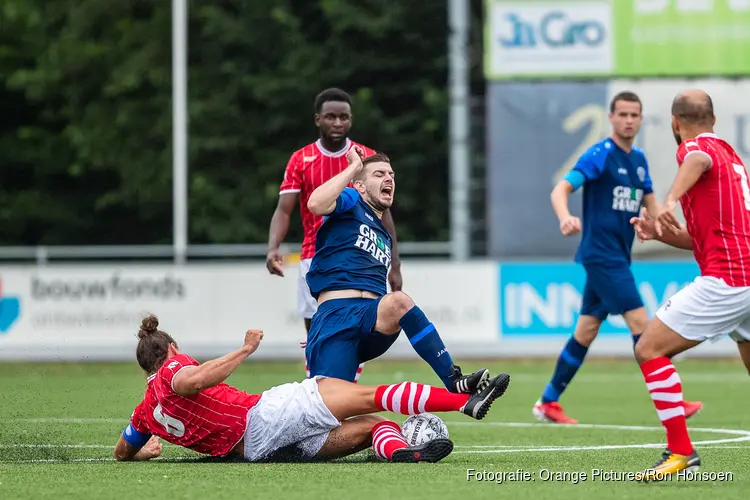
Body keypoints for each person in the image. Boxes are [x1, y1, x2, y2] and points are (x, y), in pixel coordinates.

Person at [113, 315, 510, 464]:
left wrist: (142, 449)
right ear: (171, 350)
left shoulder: (146, 411)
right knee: (370, 394)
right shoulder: (173, 369)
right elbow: (190, 381)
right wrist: (246, 349)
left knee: (373, 424)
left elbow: (121, 450)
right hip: (265, 417)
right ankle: (464, 403)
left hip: (258, 450)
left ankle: (405, 452)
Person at [533, 91, 703, 424]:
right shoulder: (600, 155)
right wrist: (565, 216)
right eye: (622, 114)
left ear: (641, 119)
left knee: (586, 331)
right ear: (611, 118)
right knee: (643, 326)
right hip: (602, 255)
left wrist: (671, 229)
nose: (628, 120)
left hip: (617, 258)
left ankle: (547, 402)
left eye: (634, 115)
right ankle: (674, 401)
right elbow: (561, 189)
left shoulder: (638, 160)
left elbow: (655, 210)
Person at [303, 146, 500, 395]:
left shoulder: (383, 234)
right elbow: (316, 203)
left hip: (370, 318)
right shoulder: (351, 201)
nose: (389, 178)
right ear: (360, 186)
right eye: (379, 174)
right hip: (336, 319)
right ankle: (459, 404)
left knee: (399, 302)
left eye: (392, 175)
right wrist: (354, 167)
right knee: (330, 417)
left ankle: (454, 381)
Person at [629, 90, 750, 480]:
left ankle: (681, 452)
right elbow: (702, 239)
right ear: (714, 119)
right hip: (744, 278)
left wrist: (667, 202)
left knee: (649, 348)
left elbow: (696, 157)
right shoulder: (733, 158)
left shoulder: (695, 149)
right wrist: (661, 232)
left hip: (728, 281)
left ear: (675, 124)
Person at [266, 88, 402, 381]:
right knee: (315, 327)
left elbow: (384, 212)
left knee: (358, 324)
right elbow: (284, 209)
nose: (338, 123)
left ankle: (344, 389)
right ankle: (316, 387)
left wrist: (395, 263)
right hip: (313, 256)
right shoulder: (301, 159)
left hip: (362, 253)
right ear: (318, 119)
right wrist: (272, 247)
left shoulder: (365, 157)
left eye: (344, 117)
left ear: (351, 120)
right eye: (331, 117)